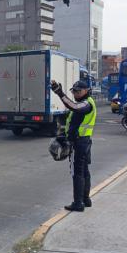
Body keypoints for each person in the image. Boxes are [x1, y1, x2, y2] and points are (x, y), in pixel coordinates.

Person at [51, 80, 97, 212]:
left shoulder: (87, 103)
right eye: (74, 91)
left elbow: (74, 107)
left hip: (80, 142)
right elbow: (72, 120)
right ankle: (86, 199)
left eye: (78, 91)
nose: (76, 93)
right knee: (84, 171)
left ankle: (78, 203)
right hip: (84, 141)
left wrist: (60, 93)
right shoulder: (83, 102)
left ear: (86, 90)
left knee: (77, 173)